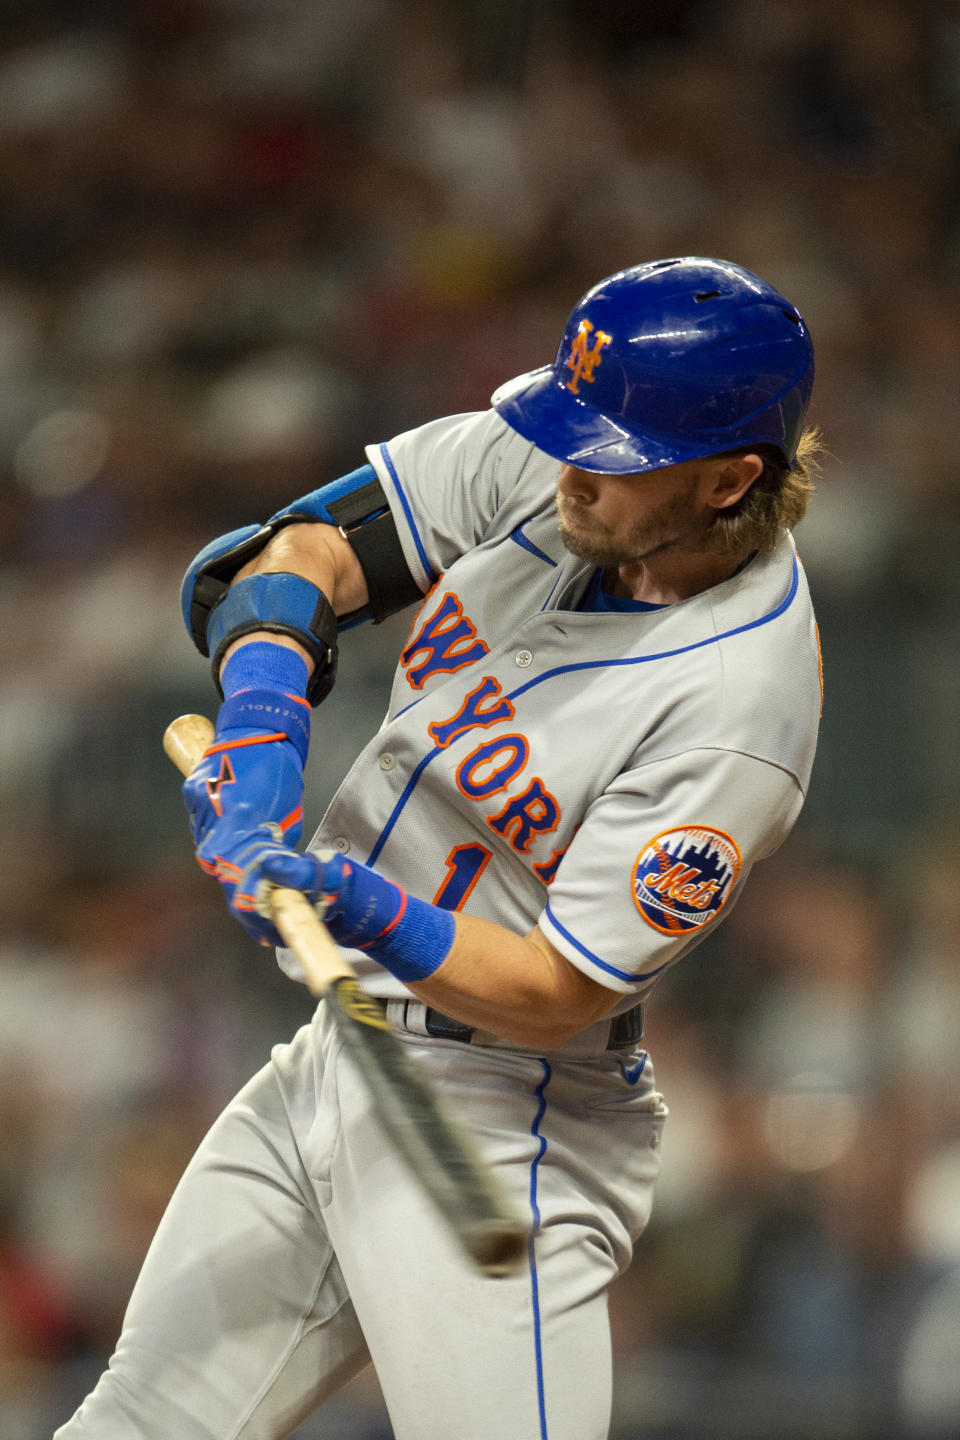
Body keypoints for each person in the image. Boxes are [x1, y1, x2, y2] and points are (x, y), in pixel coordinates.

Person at [57, 256, 822, 1440]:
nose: (574, 467)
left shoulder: (737, 702)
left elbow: (559, 991)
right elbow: (299, 551)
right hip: (342, 1048)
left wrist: (351, 902)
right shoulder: (559, 466)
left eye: (615, 455)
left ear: (730, 480)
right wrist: (264, 719)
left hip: (504, 1108)